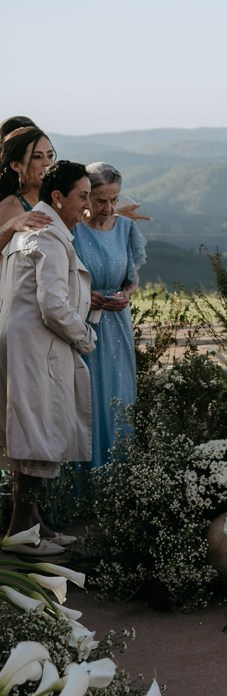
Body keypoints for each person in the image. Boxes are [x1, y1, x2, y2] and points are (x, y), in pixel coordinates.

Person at [0, 159, 95, 555]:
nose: (87, 207)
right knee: (34, 435)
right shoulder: (47, 238)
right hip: (36, 346)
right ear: (58, 197)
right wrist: (85, 336)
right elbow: (53, 304)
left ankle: (35, 525)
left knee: (32, 431)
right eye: (83, 197)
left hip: (28, 344)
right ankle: (21, 531)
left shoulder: (39, 229)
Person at [74, 163, 145, 469]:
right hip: (80, 324)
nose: (108, 208)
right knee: (85, 400)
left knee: (119, 397)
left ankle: (116, 480)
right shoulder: (72, 228)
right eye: (100, 200)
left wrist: (126, 294)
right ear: (86, 196)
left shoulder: (127, 228)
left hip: (117, 325)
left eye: (114, 199)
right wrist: (83, 296)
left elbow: (132, 276)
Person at [0, 126, 55, 251]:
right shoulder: (10, 208)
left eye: (50, 156)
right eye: (37, 157)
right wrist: (11, 225)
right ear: (16, 165)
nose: (47, 163)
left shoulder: (53, 199)